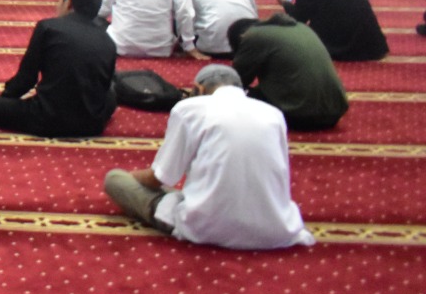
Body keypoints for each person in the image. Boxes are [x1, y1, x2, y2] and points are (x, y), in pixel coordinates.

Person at [103, 65, 315, 250]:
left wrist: (132, 177)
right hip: (275, 228)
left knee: (115, 179)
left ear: (200, 89)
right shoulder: (273, 114)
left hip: (206, 227)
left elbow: (159, 178)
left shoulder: (189, 109)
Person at [0, 0, 118, 138]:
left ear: (69, 2)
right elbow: (103, 87)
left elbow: (26, 80)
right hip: (92, 125)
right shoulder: (107, 40)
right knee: (111, 96)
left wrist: (5, 100)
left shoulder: (48, 27)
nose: (56, 5)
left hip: (46, 119)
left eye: (59, 0)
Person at [228, 13, 349, 131]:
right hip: (335, 111)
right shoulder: (302, 27)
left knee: (231, 98)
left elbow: (235, 82)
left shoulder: (253, 36)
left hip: (298, 114)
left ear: (241, 37)